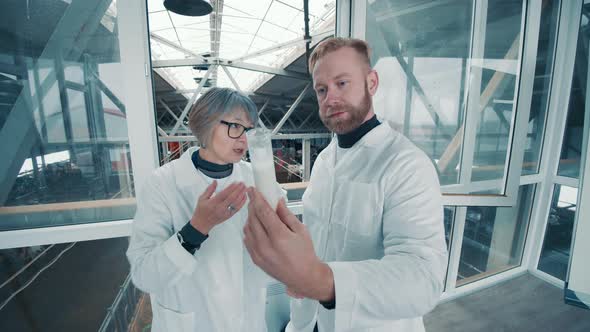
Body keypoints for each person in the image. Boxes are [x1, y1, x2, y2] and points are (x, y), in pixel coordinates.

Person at [243, 38, 448, 332]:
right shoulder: (325, 160)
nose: (330, 98)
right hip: (312, 320)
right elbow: (320, 244)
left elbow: (423, 280)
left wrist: (320, 279)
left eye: (342, 83)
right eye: (322, 90)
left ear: (371, 82)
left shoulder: (407, 164)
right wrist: (298, 267)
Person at [127, 87, 271, 332]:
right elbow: (144, 275)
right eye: (235, 126)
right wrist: (196, 229)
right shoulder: (163, 183)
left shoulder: (256, 178)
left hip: (248, 322)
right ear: (206, 125)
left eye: (249, 129)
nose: (244, 139)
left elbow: (275, 246)